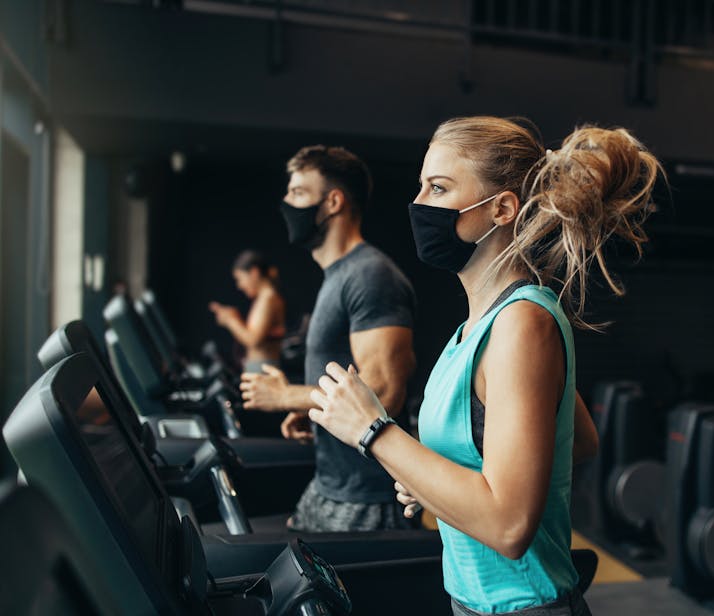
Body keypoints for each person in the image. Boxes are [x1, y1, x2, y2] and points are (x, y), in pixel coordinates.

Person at [303, 116, 662, 615]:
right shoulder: (475, 328)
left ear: (501, 208)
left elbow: (511, 527)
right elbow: (577, 439)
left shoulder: (522, 324)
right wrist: (439, 480)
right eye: (421, 185)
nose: (419, 203)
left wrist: (374, 431)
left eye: (439, 187)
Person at [239, 145, 416, 533]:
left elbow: (384, 393)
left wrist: (288, 395)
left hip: (366, 497)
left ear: (333, 201)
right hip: (330, 484)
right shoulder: (338, 275)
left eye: (299, 193)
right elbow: (347, 375)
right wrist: (310, 409)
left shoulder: (369, 275)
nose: (287, 203)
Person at [209, 250, 286, 374]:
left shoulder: (268, 298)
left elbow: (253, 340)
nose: (239, 285)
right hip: (260, 368)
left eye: (240, 279)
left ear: (254, 273)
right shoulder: (265, 298)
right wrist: (234, 318)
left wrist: (231, 321)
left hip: (263, 369)